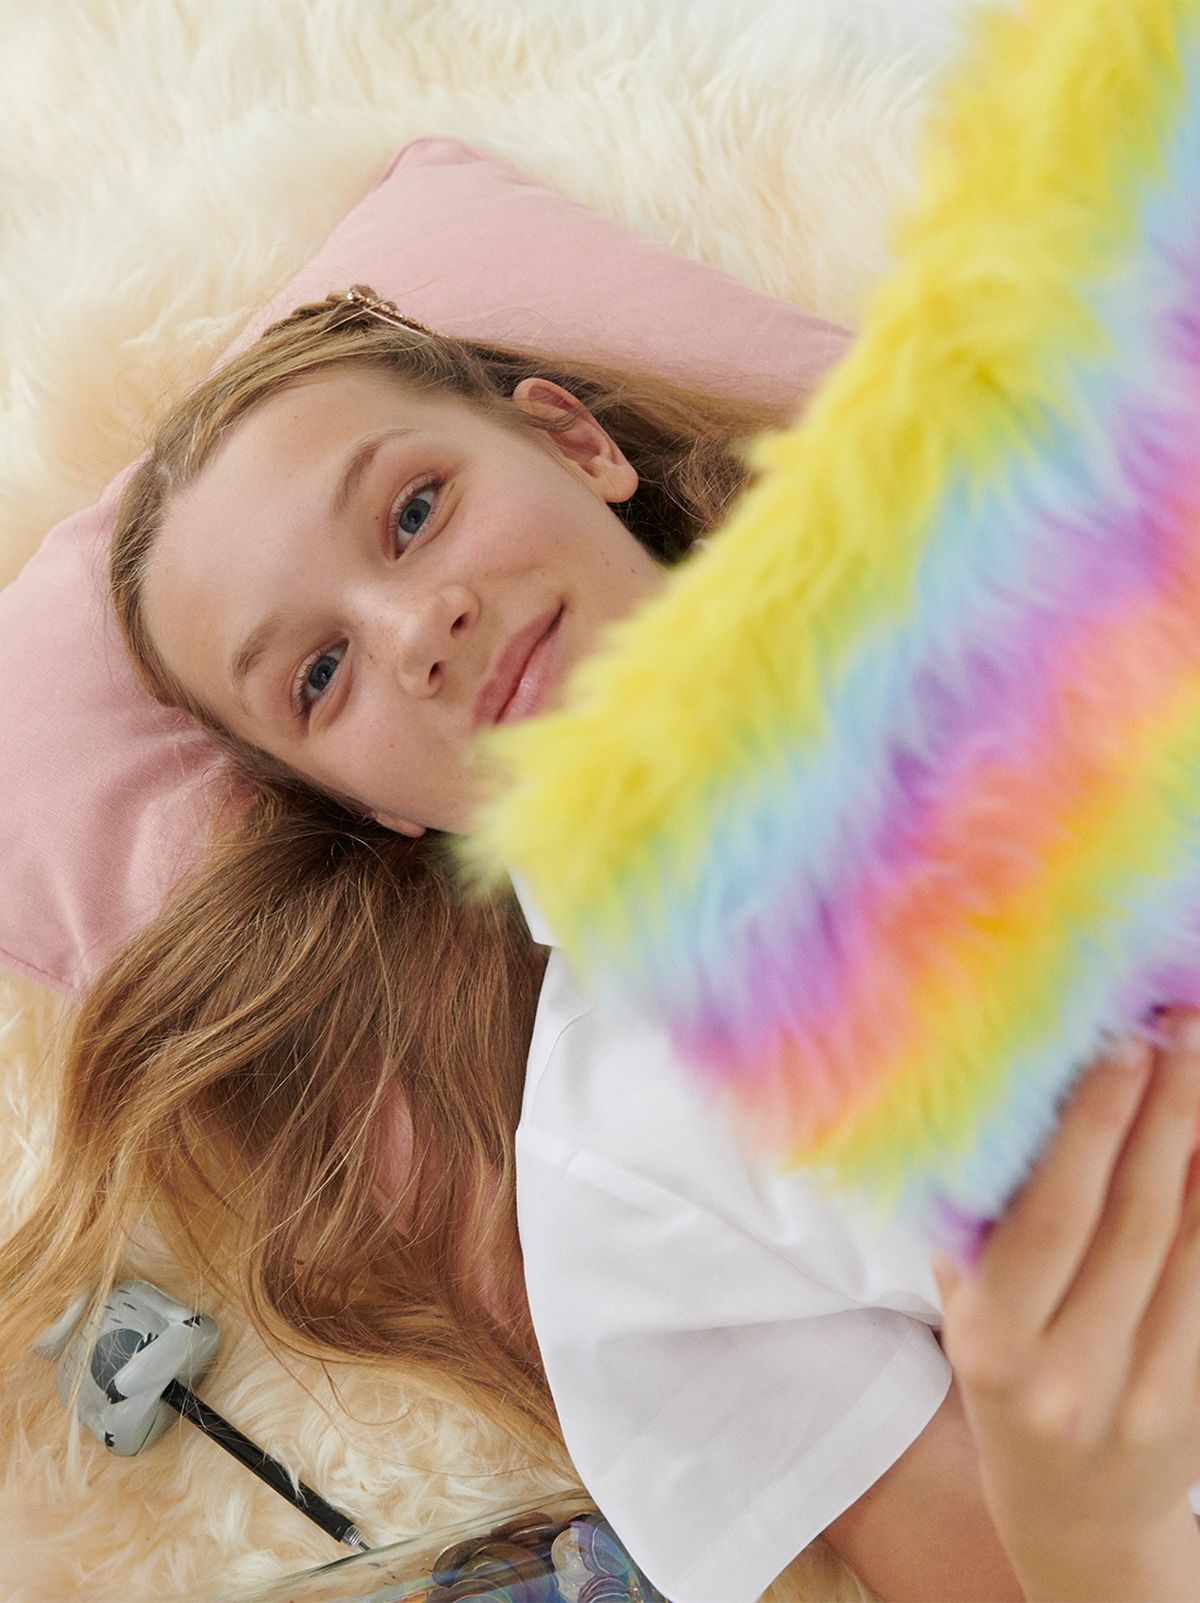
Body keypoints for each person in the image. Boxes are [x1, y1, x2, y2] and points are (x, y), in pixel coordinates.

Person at [2, 286, 1197, 1601]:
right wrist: (1085, 1509)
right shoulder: (622, 1196)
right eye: (320, 676)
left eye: (414, 513)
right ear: (378, 810)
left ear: (578, 444)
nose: (417, 632)